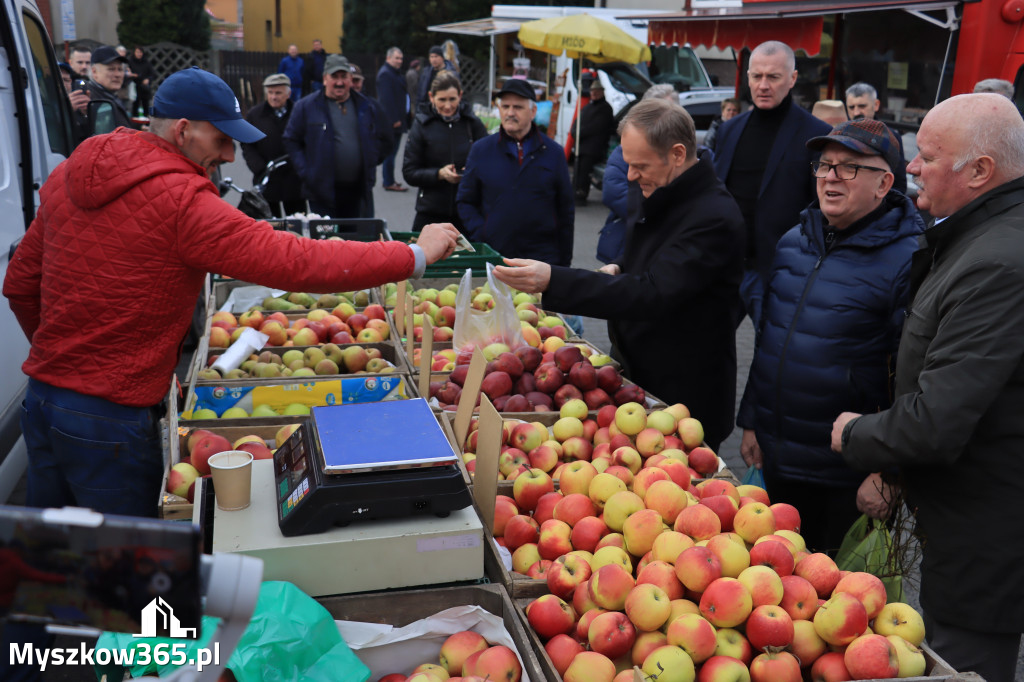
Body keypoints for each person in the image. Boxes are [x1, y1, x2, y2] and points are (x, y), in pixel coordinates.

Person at [2, 66, 459, 521]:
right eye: (221, 139)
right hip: (110, 419)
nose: (229, 154)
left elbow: (20, 283)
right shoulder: (182, 200)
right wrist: (414, 255)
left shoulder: (68, 175)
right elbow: (295, 261)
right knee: (129, 566)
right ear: (183, 131)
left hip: (43, 402)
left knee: (49, 559)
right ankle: (148, 602)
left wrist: (67, 362)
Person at [830, 93, 1024, 682]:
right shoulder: (977, 237)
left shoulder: (999, 262)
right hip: (970, 518)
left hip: (986, 531)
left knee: (964, 662)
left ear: (980, 171)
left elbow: (940, 416)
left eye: (928, 156)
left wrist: (857, 435)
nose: (912, 165)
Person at [494, 99, 745, 451]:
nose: (630, 175)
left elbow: (653, 293)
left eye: (639, 165)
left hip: (682, 396)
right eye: (628, 164)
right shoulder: (665, 190)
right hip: (640, 378)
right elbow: (653, 258)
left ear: (676, 154)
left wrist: (555, 280)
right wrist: (621, 267)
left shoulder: (713, 216)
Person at [738, 119, 924, 554]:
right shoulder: (792, 242)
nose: (831, 177)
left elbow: (913, 375)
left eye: (850, 167)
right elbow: (769, 340)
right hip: (779, 457)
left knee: (833, 600)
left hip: (848, 474)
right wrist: (752, 421)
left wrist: (890, 472)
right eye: (824, 165)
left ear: (885, 184)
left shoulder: (910, 259)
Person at [713, 41, 832, 327]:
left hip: (779, 270)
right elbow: (715, 192)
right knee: (709, 349)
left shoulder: (817, 135)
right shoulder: (729, 129)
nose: (763, 85)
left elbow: (821, 206)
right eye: (757, 76)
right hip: (724, 266)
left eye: (773, 77)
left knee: (770, 357)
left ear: (792, 79)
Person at [457, 78, 574, 266]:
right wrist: (483, 232)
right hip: (495, 254)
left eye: (518, 107)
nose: (510, 113)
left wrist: (563, 263)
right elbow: (465, 201)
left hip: (542, 257)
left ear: (533, 111)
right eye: (505, 106)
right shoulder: (481, 150)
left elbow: (565, 211)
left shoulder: (553, 152)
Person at [283, 54, 393, 219]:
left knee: (358, 242)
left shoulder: (367, 106)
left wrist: (370, 159)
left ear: (350, 79)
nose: (340, 82)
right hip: (322, 194)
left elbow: (386, 139)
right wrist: (307, 172)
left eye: (344, 77)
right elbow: (291, 140)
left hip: (358, 192)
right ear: (325, 79)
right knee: (326, 242)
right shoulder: (306, 107)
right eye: (334, 77)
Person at [403, 71, 488, 233]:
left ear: (460, 96)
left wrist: (469, 173)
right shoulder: (422, 125)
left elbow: (488, 164)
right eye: (442, 100)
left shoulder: (473, 124)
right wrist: (439, 174)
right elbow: (409, 172)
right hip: (430, 213)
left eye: (452, 99)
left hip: (466, 213)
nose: (448, 106)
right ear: (431, 97)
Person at [241, 73, 306, 216]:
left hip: (294, 180)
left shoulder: (299, 112)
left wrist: (301, 166)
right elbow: (247, 144)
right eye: (270, 93)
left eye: (278, 93)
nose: (273, 97)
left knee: (297, 223)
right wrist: (258, 167)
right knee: (271, 226)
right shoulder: (255, 115)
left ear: (288, 94)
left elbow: (308, 142)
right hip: (267, 179)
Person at [845, 82, 908, 193]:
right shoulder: (840, 135)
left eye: (862, 106)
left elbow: (899, 183)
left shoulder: (890, 137)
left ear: (876, 105)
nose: (856, 112)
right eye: (851, 107)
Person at [574, 82, 616, 205]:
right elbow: (577, 122)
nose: (594, 93)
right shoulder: (587, 107)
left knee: (584, 172)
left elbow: (597, 127)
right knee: (578, 171)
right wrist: (574, 132)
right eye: (592, 91)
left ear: (602, 92)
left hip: (594, 146)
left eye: (597, 91)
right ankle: (575, 193)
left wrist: (579, 132)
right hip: (582, 145)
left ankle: (581, 195)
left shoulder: (605, 108)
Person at [377, 47, 409, 192]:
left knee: (393, 152)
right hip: (392, 122)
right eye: (396, 58)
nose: (399, 61)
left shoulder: (394, 74)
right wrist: (393, 119)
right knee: (390, 152)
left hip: (398, 119)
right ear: (388, 58)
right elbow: (386, 100)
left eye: (401, 58)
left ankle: (390, 179)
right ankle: (388, 181)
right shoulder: (385, 74)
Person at [80, 45, 135, 131]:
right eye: (111, 69)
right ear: (95, 72)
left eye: (120, 69)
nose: (117, 75)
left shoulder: (109, 95)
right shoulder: (89, 99)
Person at [127, 46, 157, 116]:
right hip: (134, 87)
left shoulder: (146, 62)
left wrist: (148, 79)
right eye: (137, 52)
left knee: (145, 104)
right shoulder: (130, 62)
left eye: (140, 52)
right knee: (135, 104)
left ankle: (146, 121)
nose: (139, 54)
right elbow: (127, 74)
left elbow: (153, 74)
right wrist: (132, 75)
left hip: (144, 88)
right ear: (134, 53)